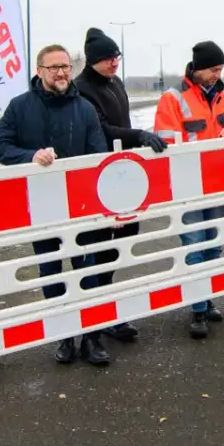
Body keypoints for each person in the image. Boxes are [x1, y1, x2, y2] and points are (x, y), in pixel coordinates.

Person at [0, 43, 110, 366]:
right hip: (42, 208)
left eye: (65, 67)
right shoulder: (20, 107)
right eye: (53, 67)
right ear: (39, 71)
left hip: (81, 208)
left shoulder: (84, 108)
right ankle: (64, 336)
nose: (61, 72)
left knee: (88, 270)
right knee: (51, 272)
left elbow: (98, 154)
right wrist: (29, 157)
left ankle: (91, 337)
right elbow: (0, 148)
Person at [73, 27, 170, 350]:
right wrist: (139, 135)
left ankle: (107, 310)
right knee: (98, 250)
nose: (115, 63)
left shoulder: (115, 83)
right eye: (107, 59)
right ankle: (95, 321)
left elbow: (121, 123)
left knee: (119, 245)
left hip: (122, 173)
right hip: (97, 177)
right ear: (93, 61)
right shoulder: (82, 89)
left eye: (117, 57)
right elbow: (101, 129)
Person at [153, 40, 224, 339]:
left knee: (214, 242)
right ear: (198, 68)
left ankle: (206, 298)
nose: (217, 75)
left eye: (221, 69)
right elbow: (166, 140)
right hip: (189, 186)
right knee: (194, 243)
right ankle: (196, 310)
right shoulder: (173, 98)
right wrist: (207, 146)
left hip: (219, 182)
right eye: (213, 69)